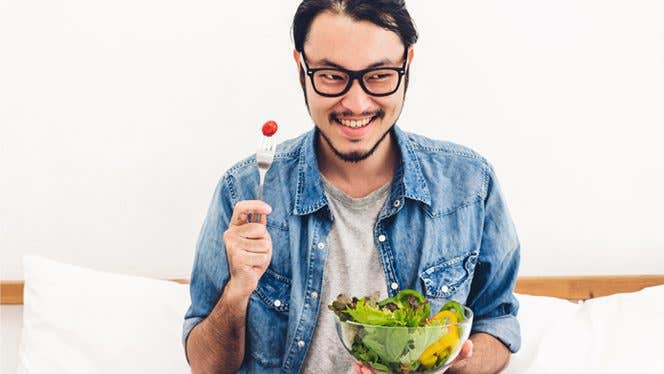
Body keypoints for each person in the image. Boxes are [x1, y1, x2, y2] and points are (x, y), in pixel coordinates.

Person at [182, 1, 521, 373]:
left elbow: (496, 323)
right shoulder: (244, 190)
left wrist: (446, 369)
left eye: (378, 76)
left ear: (407, 63)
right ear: (301, 68)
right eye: (331, 76)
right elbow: (204, 364)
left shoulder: (469, 185)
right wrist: (237, 292)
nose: (356, 104)